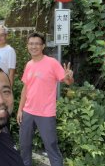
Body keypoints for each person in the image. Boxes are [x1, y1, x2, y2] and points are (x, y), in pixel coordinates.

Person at [17, 32, 74, 166]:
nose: (34, 46)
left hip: (46, 113)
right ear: (27, 46)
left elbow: (67, 81)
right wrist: (20, 110)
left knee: (51, 147)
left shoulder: (52, 63)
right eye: (31, 43)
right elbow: (25, 89)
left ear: (43, 46)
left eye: (37, 44)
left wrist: (69, 77)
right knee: (24, 146)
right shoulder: (29, 64)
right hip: (28, 112)